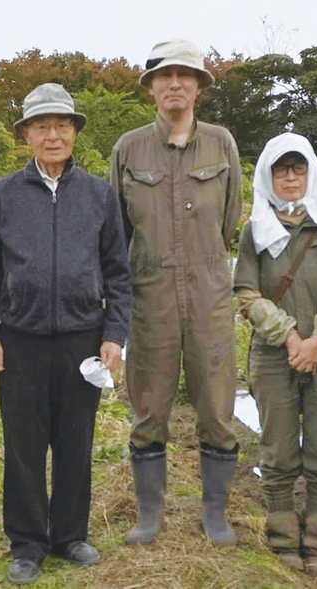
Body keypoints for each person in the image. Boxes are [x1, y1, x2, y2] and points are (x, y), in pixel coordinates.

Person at [0, 83, 133, 585]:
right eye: (41, 125)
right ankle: (26, 542)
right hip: (19, 338)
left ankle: (69, 535)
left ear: (74, 132)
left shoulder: (99, 195)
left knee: (75, 442)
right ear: (25, 134)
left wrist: (114, 333)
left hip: (82, 339)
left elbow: (118, 271)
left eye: (62, 125)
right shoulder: (3, 195)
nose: (52, 134)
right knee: (23, 445)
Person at [110, 38, 242, 547]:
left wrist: (202, 266)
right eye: (164, 77)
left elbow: (228, 221)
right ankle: (150, 515)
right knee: (149, 409)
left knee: (217, 408)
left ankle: (217, 515)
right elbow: (117, 232)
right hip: (149, 294)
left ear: (199, 88)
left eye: (186, 76)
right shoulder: (129, 148)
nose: (175, 84)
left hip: (209, 292)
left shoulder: (222, 144)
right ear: (150, 89)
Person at [232, 132, 317, 579]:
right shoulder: (256, 230)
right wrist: (287, 336)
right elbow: (246, 291)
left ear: (310, 173)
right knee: (278, 449)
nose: (289, 177)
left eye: (297, 168)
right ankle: (283, 537)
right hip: (273, 354)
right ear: (268, 175)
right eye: (280, 169)